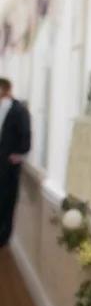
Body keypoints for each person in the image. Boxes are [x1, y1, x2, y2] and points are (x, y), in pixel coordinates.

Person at [0, 78, 31, 248]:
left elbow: (25, 135)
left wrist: (19, 153)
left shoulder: (19, 110)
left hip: (8, 165)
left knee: (6, 200)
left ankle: (3, 237)